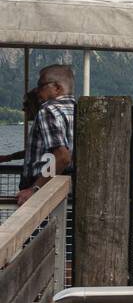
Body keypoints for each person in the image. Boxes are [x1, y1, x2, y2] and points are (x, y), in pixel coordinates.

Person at [16, 64, 76, 206]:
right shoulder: (79, 109)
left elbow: (63, 156)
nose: (37, 91)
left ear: (57, 88)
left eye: (41, 85)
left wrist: (34, 189)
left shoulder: (48, 110)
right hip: (68, 193)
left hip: (44, 194)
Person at [0, 89, 42, 163]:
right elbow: (32, 151)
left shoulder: (43, 124)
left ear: (36, 104)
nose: (23, 109)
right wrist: (8, 157)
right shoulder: (39, 124)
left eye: (26, 104)